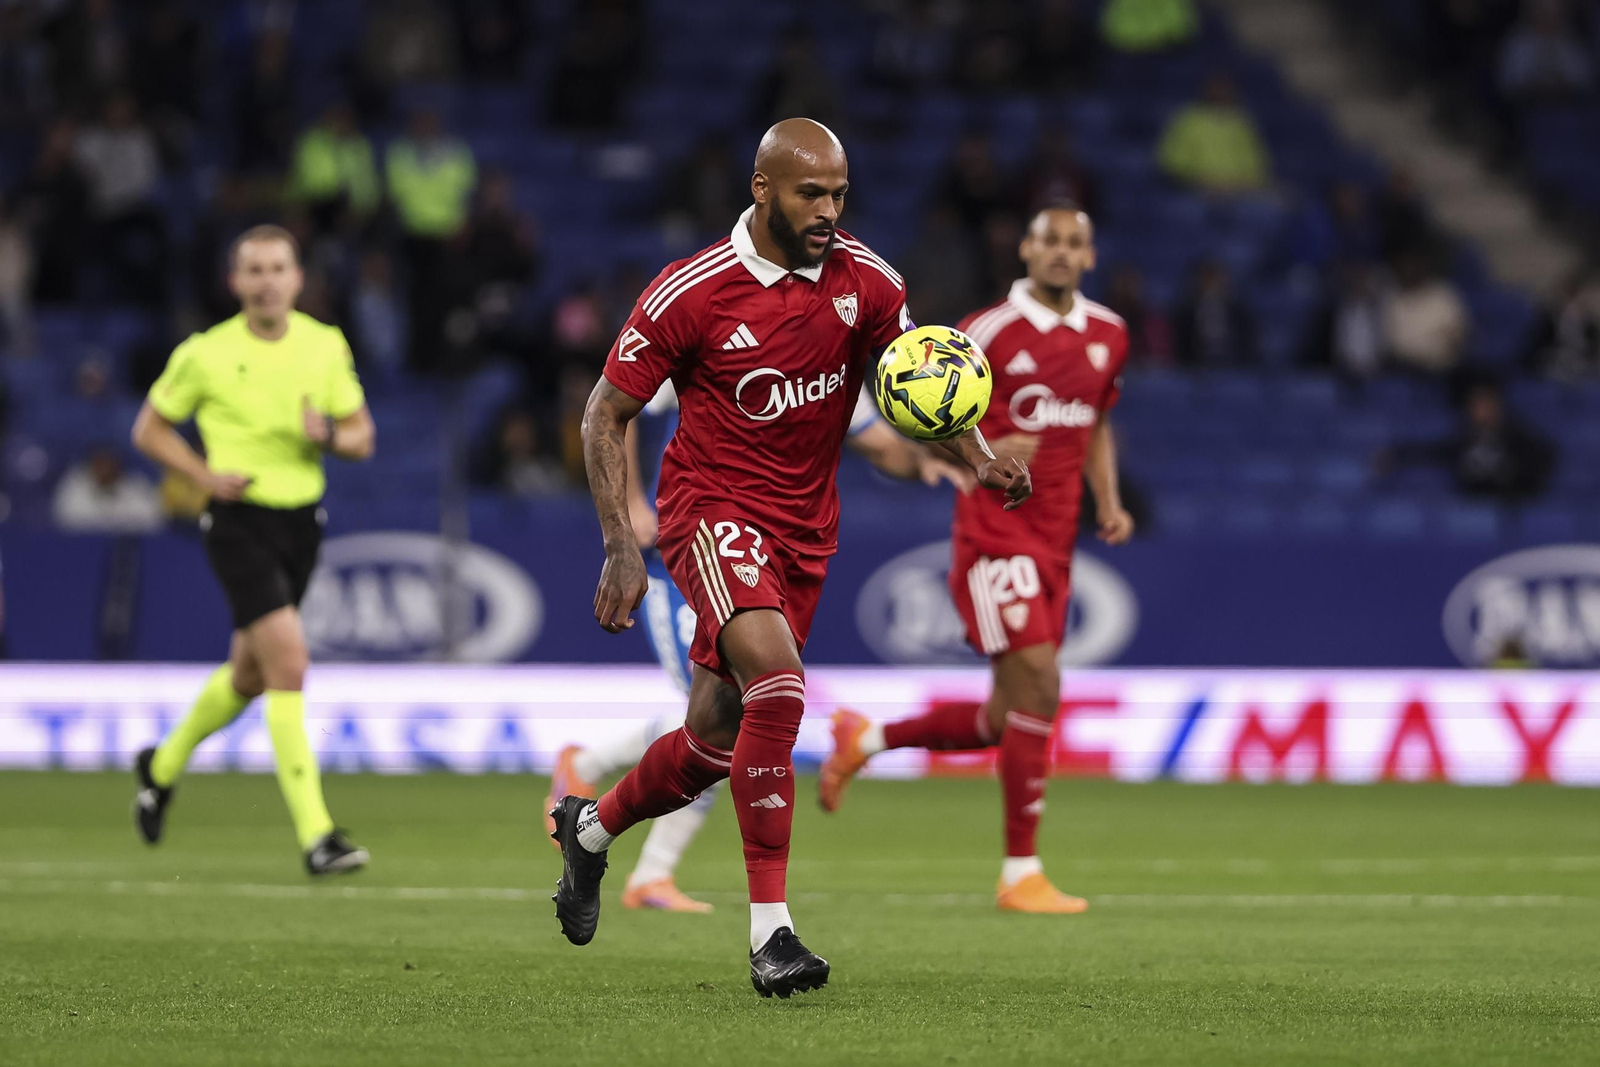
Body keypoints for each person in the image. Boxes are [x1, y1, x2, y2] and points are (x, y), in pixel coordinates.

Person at [550, 118, 1031, 998]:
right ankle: (771, 934)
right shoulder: (690, 292)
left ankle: (588, 831)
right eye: (812, 193)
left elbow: (922, 383)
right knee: (780, 684)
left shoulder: (870, 281)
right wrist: (621, 543)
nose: (830, 211)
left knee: (711, 740)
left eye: (841, 194)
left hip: (806, 529)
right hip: (711, 512)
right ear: (762, 187)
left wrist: (979, 456)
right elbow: (602, 412)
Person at [544, 383, 972, 914]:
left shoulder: (834, 345)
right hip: (691, 555)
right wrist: (631, 505)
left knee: (719, 719)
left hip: (770, 557)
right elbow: (615, 407)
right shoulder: (719, 325)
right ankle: (651, 868)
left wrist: (928, 458)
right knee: (731, 718)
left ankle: (592, 780)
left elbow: (878, 442)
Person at [818, 204, 1133, 915]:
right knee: (1042, 687)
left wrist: (1106, 502)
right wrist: (988, 451)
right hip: (995, 537)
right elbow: (917, 419)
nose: (1059, 251)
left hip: (1057, 542)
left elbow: (1099, 420)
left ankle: (865, 737)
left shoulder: (1109, 333)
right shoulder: (982, 333)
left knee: (1005, 716)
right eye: (1047, 238)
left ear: (1088, 257)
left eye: (1073, 242)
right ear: (1024, 247)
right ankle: (1020, 871)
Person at [128, 225, 377, 875]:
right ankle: (318, 835)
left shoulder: (323, 345)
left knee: (248, 674)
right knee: (289, 663)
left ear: (298, 278)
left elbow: (361, 437)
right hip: (237, 521)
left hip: (302, 524)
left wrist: (324, 432)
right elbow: (148, 428)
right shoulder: (205, 352)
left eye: (277, 268)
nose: (266, 280)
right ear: (234, 281)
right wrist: (203, 476)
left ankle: (160, 765)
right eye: (253, 269)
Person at [1156, 72, 1271, 194]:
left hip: (1239, 189)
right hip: (1198, 187)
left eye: (1225, 88)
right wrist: (1199, 179)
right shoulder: (1187, 120)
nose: (1221, 92)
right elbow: (1171, 162)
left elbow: (1256, 164)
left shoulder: (1241, 121)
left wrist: (1240, 183)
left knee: (1270, 203)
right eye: (1216, 87)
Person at [52, 446, 164, 534]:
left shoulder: (136, 487)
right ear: (91, 465)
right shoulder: (74, 486)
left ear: (118, 466)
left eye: (108, 463)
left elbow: (152, 520)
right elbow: (66, 520)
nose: (104, 469)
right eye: (100, 463)